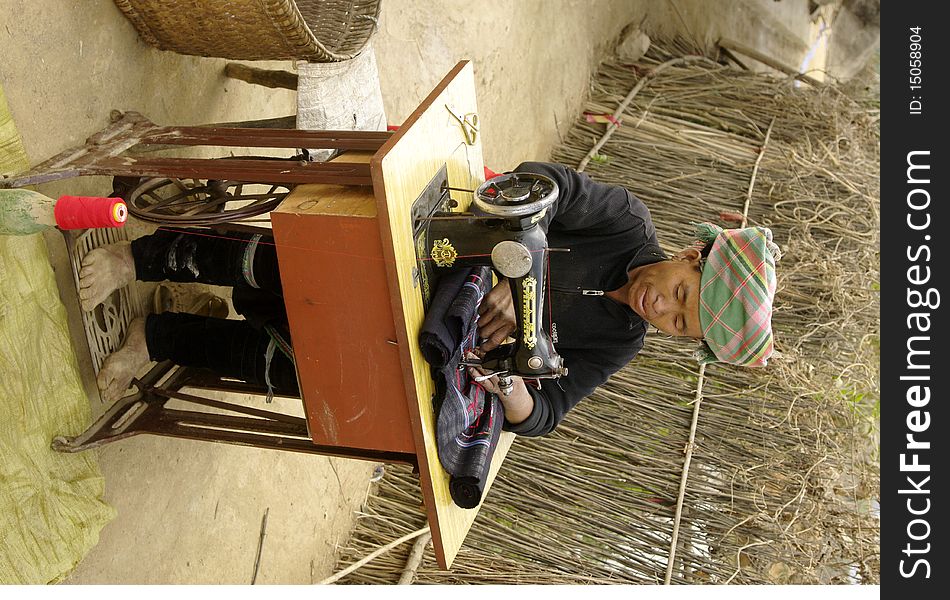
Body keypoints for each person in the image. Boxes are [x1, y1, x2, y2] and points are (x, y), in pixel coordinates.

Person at [81, 162, 779, 435]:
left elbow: (547, 414)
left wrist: (512, 389)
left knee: (309, 372)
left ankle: (159, 338)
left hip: (438, 338)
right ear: (692, 255)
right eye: (682, 294)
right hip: (430, 254)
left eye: (683, 324)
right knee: (293, 266)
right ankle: (134, 257)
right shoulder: (625, 219)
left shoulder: (620, 342)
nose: (666, 311)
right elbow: (545, 183)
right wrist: (515, 268)